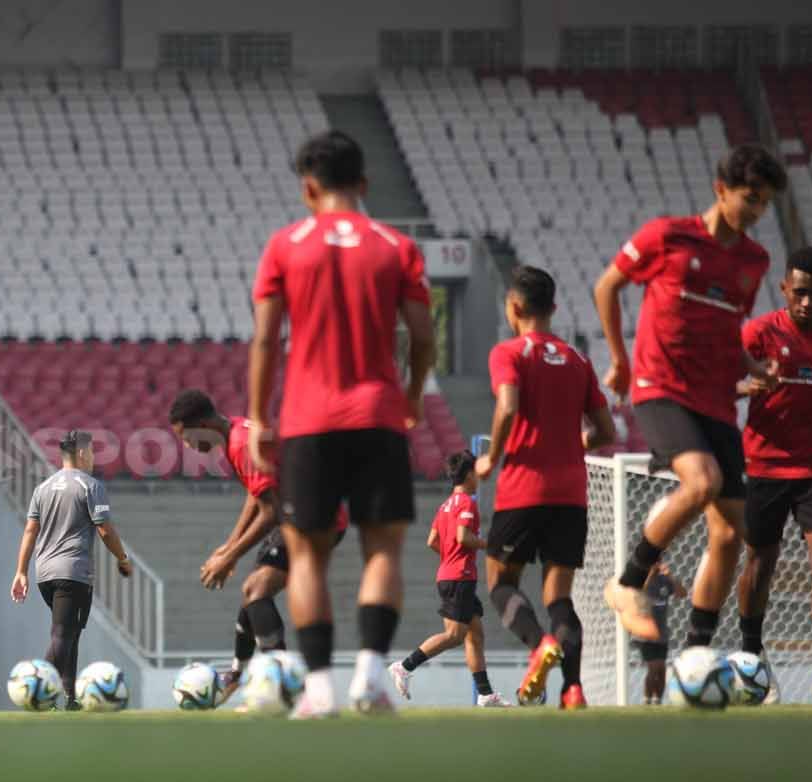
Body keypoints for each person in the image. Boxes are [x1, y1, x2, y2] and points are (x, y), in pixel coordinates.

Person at [247, 130, 436, 717]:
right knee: (383, 549)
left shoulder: (285, 245)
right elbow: (424, 334)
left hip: (307, 419)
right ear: (364, 183)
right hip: (378, 414)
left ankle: (321, 688)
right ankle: (372, 677)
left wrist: (256, 417)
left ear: (308, 187)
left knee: (307, 557)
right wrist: (410, 392)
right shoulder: (395, 246)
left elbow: (265, 339)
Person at [595, 144, 786, 646]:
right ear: (721, 189)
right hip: (659, 388)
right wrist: (619, 360)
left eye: (764, 204)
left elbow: (728, 329)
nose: (756, 212)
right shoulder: (667, 235)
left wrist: (752, 369)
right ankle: (627, 582)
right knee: (703, 481)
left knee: (729, 535)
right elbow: (607, 287)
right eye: (750, 198)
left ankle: (697, 652)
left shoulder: (754, 260)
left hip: (715, 401)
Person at [476, 266, 617, 709]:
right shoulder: (578, 361)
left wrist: (491, 458)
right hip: (571, 495)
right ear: (554, 308)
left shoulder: (509, 352)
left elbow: (507, 406)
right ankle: (573, 690)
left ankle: (539, 644)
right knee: (558, 596)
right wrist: (578, 441)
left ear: (514, 308)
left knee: (500, 583)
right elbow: (606, 431)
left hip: (523, 488)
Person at [167, 389, 345, 703]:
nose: (187, 446)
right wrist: (229, 546)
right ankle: (241, 677)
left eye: (186, 436)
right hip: (302, 513)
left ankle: (286, 688)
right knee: (253, 591)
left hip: (313, 518)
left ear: (203, 424)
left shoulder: (239, 445)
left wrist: (229, 557)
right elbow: (256, 495)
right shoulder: (236, 430)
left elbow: (270, 512)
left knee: (257, 591)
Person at [736, 246, 812, 703]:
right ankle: (751, 661)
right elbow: (722, 380)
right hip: (764, 466)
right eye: (799, 293)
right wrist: (748, 384)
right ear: (785, 288)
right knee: (760, 564)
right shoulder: (760, 332)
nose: (807, 303)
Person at [10, 431, 132, 709]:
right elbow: (104, 528)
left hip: (45, 574)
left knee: (70, 632)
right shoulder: (91, 486)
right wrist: (122, 557)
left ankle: (68, 696)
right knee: (63, 634)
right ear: (81, 454)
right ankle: (33, 689)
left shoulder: (43, 488)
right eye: (91, 453)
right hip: (73, 571)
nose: (92, 458)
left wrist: (21, 572)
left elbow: (31, 530)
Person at [389, 452, 509, 707]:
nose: (479, 477)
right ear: (468, 475)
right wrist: (490, 544)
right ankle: (405, 666)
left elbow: (433, 540)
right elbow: (463, 536)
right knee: (455, 635)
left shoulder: (445, 505)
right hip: (459, 577)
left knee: (475, 634)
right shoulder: (466, 502)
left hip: (450, 574)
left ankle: (485, 694)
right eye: (476, 472)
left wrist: (451, 557)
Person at [640, 561, 684, 705]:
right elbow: (639, 594)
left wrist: (670, 576)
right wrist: (650, 575)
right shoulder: (641, 578)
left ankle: (657, 701)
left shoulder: (664, 580)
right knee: (653, 667)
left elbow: (682, 593)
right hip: (646, 633)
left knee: (662, 670)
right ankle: (646, 699)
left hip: (662, 634)